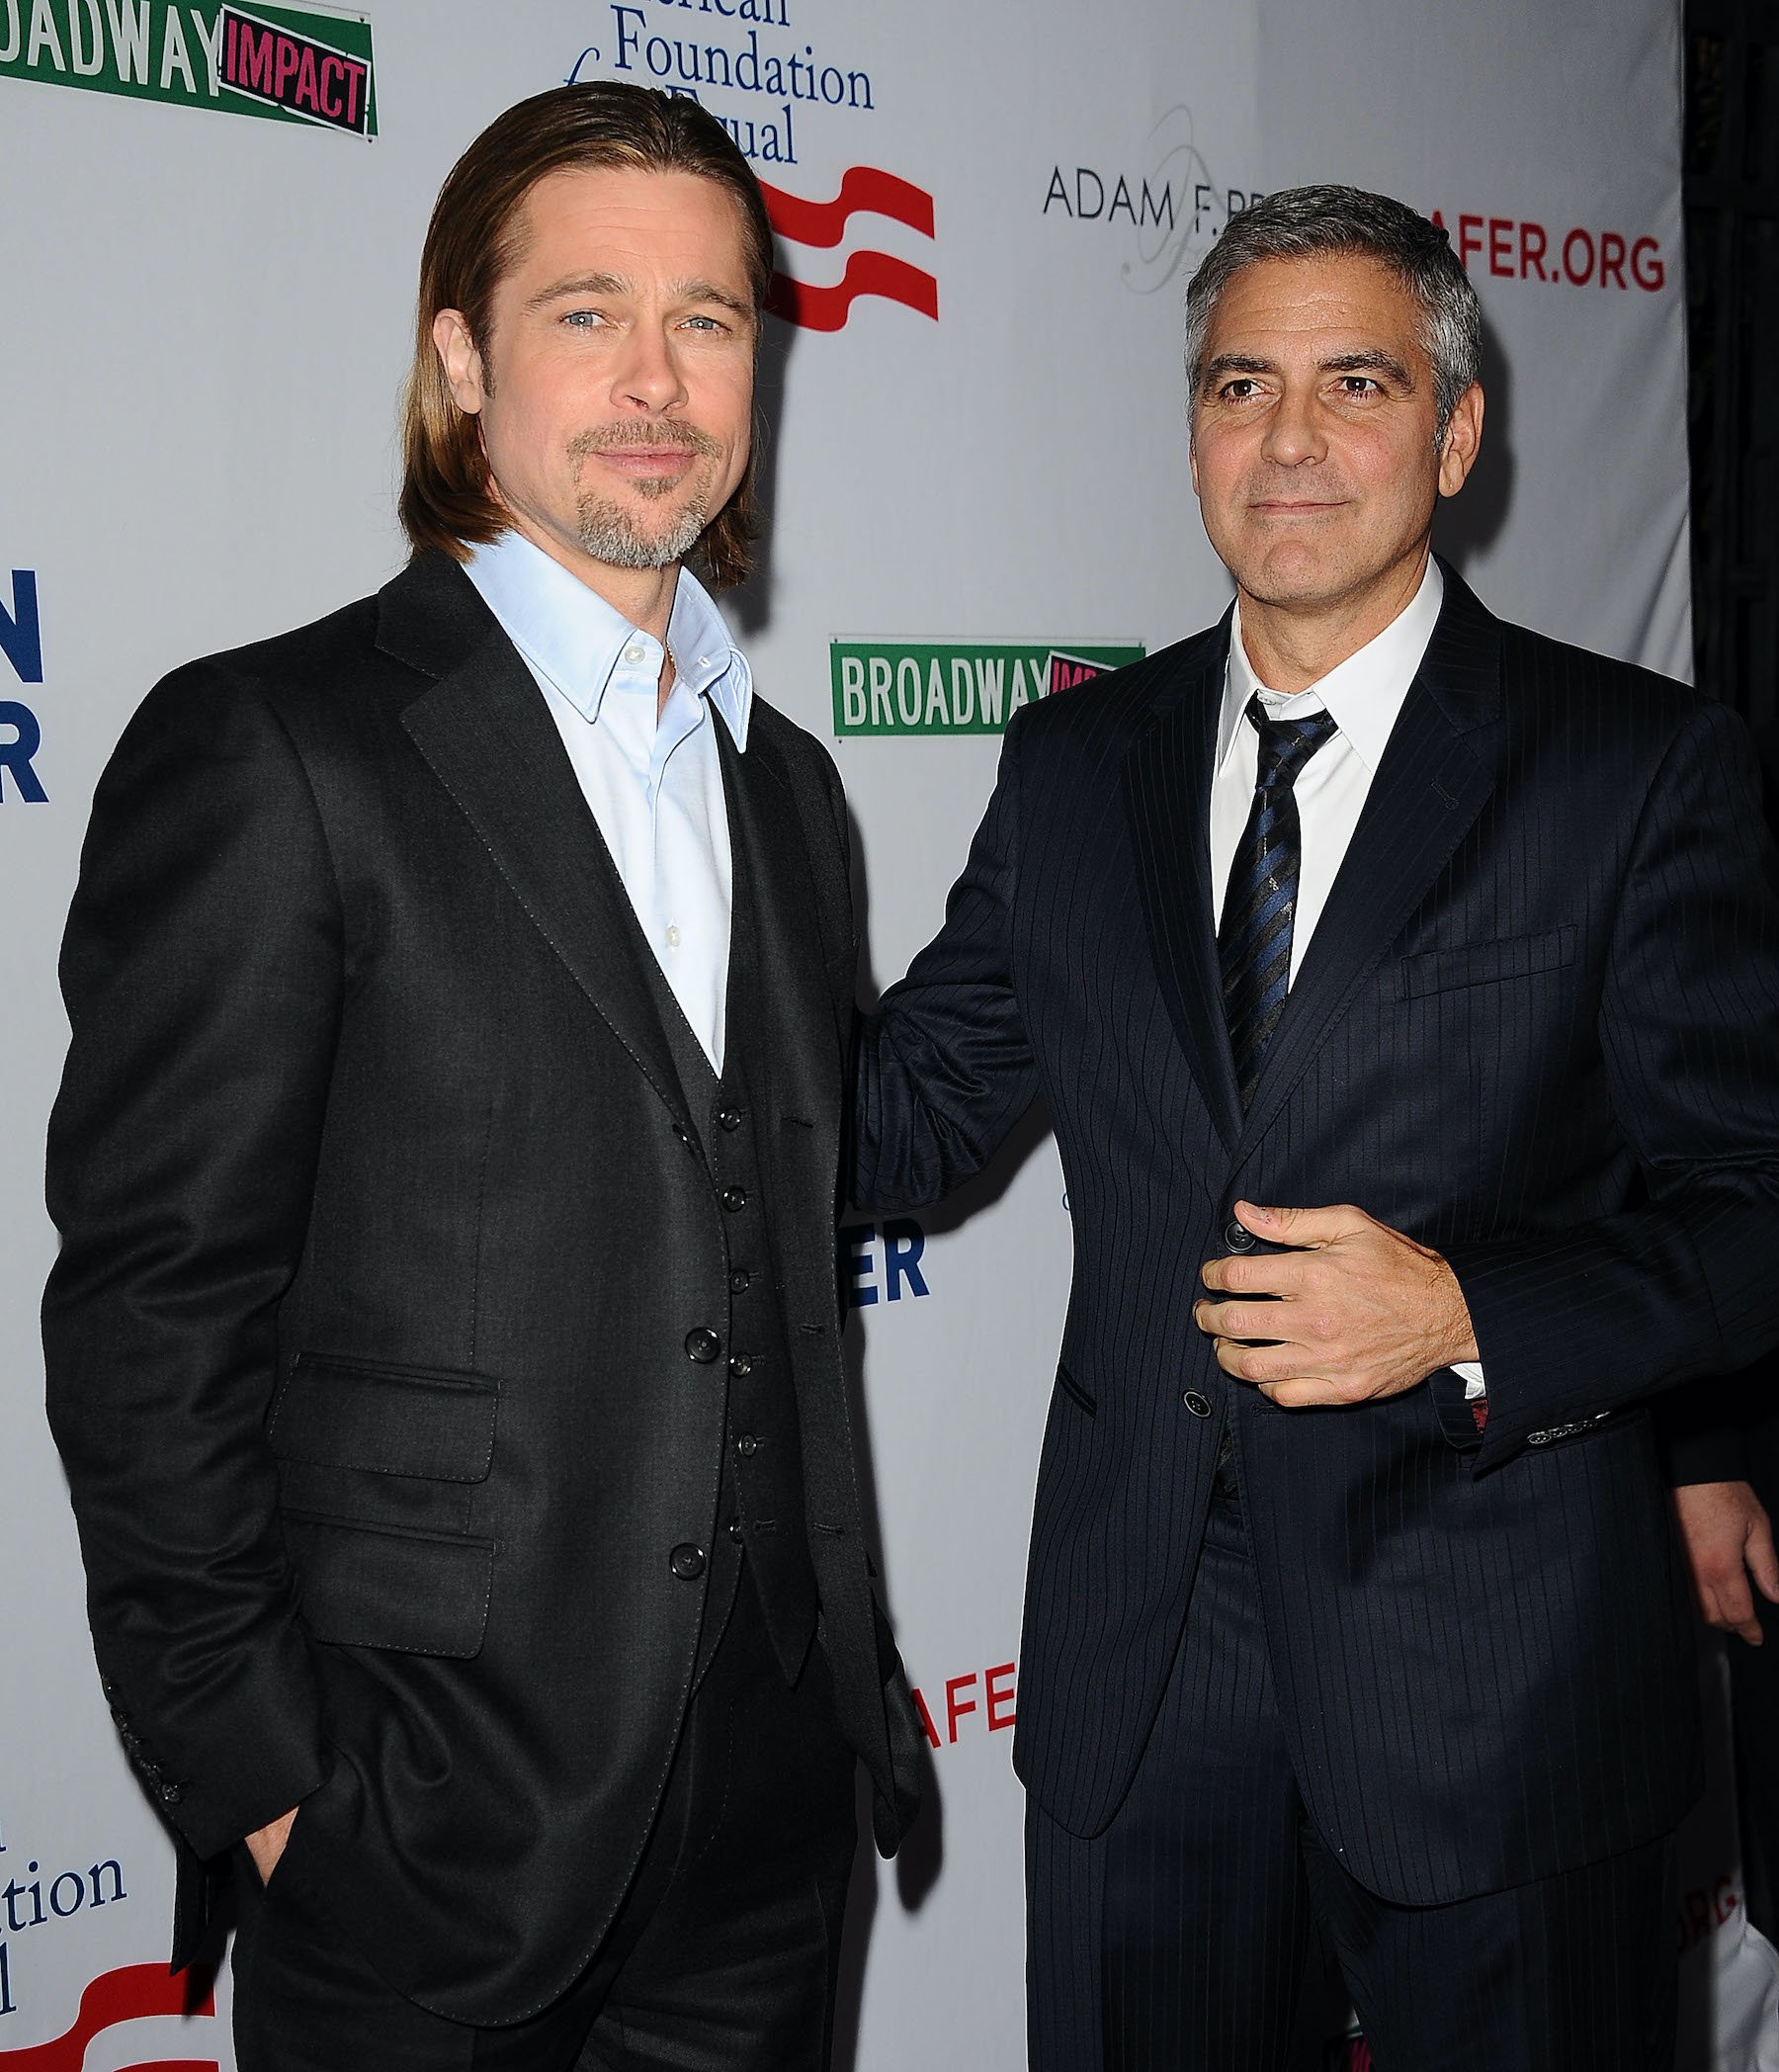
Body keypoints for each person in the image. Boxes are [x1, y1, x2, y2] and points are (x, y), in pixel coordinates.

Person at [851, 185, 1779, 2069]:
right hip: (1141, 1682)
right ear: (1191, 430)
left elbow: (1749, 1213)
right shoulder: (1074, 765)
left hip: (1496, 1690)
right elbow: (900, 1117)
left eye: (1354, 383)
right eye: (1238, 385)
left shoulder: (1633, 767)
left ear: (1453, 431)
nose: (1287, 440)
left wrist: (1466, 1316)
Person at [42, 81, 918, 2072]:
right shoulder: (279, 744)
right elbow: (151, 1315)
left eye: (708, 319)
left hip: (772, 1832)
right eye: (586, 309)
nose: (656, 377)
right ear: (461, 356)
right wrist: (272, 1789)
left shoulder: (791, 791)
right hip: (423, 1831)